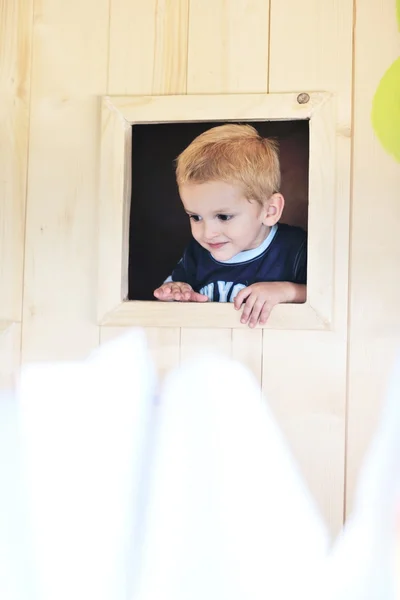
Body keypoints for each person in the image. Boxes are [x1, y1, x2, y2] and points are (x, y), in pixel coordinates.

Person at [154, 124, 307, 328]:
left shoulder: (295, 248)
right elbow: (172, 295)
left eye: (224, 216)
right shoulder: (197, 252)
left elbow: (333, 298)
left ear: (269, 210)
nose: (208, 233)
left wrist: (287, 291)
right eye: (195, 217)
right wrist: (177, 292)